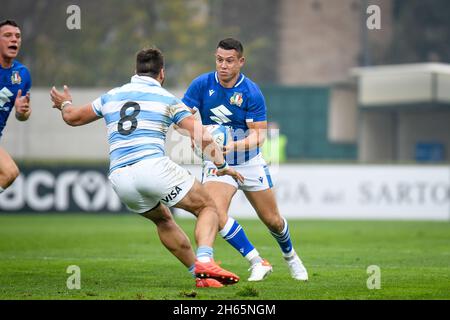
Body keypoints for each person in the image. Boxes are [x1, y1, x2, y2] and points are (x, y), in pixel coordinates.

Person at [50, 47, 244, 288]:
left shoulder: (111, 96)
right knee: (208, 206)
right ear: (161, 73)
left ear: (135, 71)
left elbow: (72, 117)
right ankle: (205, 260)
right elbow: (200, 135)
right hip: (152, 167)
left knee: (163, 220)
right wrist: (222, 165)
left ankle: (200, 276)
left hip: (120, 177)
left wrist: (64, 103)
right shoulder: (167, 99)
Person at [182, 38, 308, 281]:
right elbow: (183, 116)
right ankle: (257, 261)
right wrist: (193, 132)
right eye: (219, 60)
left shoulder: (251, 92)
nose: (223, 65)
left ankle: (291, 257)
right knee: (215, 213)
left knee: (273, 221)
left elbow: (259, 136)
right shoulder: (201, 84)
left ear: (241, 62)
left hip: (249, 162)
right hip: (219, 163)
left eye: (229, 61)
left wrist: (232, 146)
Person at [0, 20, 32, 195]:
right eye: (7, 35)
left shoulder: (22, 74)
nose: (14, 39)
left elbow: (23, 115)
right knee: (9, 171)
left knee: (9, 173)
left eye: (17, 36)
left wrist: (22, 111)